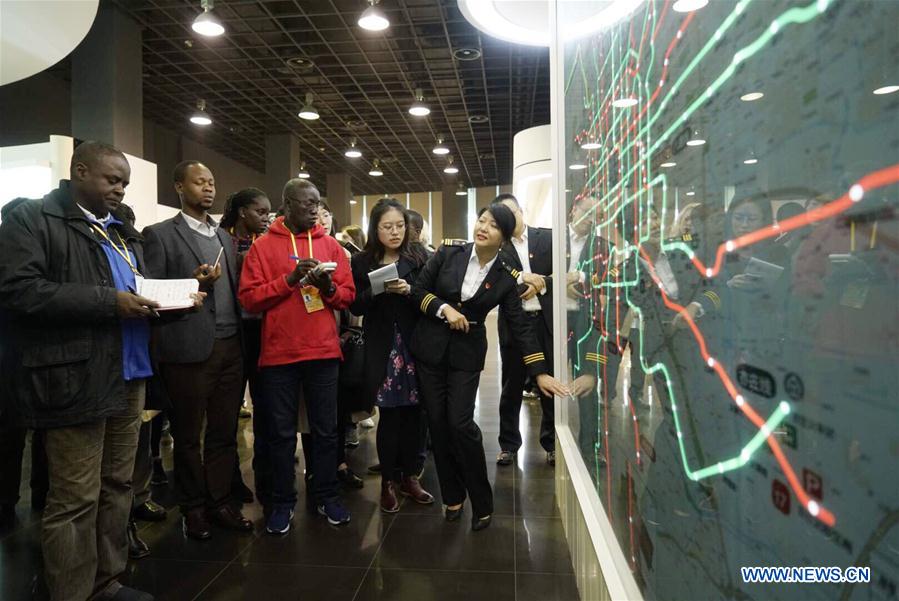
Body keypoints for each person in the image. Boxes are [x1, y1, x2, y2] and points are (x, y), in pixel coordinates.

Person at [0, 141, 158, 601]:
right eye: (112, 180)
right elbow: (19, 290)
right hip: (74, 375)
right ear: (79, 171)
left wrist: (172, 301)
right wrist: (111, 303)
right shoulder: (33, 218)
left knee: (118, 486)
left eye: (125, 183)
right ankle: (70, 592)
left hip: (131, 371)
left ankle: (106, 582)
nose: (120, 190)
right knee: (75, 499)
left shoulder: (121, 228)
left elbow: (134, 286)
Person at [410, 202, 568, 531]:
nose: (483, 227)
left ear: (505, 237)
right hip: (430, 349)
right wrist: (443, 310)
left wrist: (539, 372)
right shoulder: (448, 253)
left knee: (460, 423)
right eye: (481, 220)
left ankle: (481, 498)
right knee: (437, 424)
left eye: (493, 225)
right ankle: (452, 496)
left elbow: (522, 327)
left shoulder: (506, 278)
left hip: (466, 355)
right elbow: (418, 291)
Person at [142, 161, 253, 540]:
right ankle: (192, 507)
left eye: (212, 182)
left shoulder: (223, 237)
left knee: (223, 432)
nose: (208, 188)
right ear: (178, 187)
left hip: (229, 347)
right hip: (187, 349)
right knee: (188, 436)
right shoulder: (159, 234)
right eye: (199, 182)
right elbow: (150, 292)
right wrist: (192, 282)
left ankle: (220, 501)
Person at [238, 179, 356, 534]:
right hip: (279, 354)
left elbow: (347, 296)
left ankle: (326, 495)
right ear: (287, 204)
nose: (314, 210)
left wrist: (328, 288)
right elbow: (249, 299)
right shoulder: (262, 248)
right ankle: (282, 501)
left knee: (325, 430)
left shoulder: (331, 245)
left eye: (317, 203)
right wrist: (289, 280)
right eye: (307, 204)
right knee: (280, 434)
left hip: (322, 351)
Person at [350, 199, 435, 513]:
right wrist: (379, 290)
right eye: (387, 227)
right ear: (376, 228)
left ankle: (410, 476)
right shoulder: (361, 261)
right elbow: (355, 305)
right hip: (383, 346)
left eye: (400, 226)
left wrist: (408, 292)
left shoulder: (420, 257)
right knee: (389, 414)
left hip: (416, 345)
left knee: (415, 414)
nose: (395, 232)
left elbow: (433, 298)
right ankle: (387, 480)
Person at [493, 194, 557, 466]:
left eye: (512, 213)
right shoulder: (498, 248)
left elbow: (564, 273)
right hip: (514, 324)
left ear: (521, 210)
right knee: (512, 385)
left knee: (549, 384)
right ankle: (509, 444)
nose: (509, 219)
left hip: (545, 321)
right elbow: (497, 281)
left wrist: (542, 283)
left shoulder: (548, 238)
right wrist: (520, 279)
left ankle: (552, 443)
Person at [220, 187, 272, 504]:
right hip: (229, 332)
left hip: (262, 331)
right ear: (242, 212)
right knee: (226, 413)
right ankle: (230, 480)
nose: (266, 218)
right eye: (260, 212)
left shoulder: (265, 245)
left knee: (266, 410)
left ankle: (265, 477)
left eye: (268, 213)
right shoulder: (219, 240)